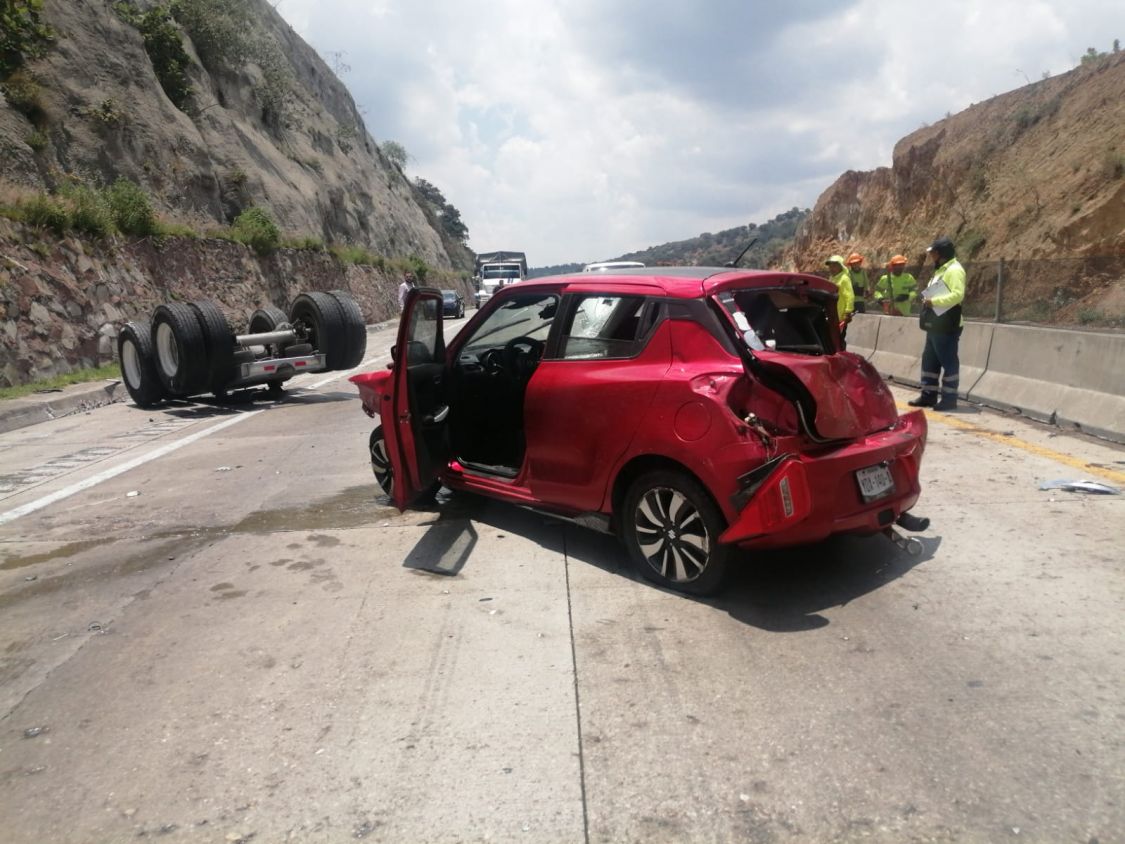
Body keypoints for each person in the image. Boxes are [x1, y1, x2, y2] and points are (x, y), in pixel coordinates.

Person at [908, 236, 966, 411]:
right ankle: (928, 396)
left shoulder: (954, 270)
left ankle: (949, 399)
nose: (931, 256)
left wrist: (934, 302)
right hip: (936, 324)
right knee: (930, 361)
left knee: (948, 362)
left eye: (934, 252)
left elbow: (957, 295)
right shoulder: (941, 270)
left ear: (942, 253)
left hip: (947, 324)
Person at [824, 255, 855, 332]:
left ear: (841, 266)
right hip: (832, 315)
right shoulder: (832, 278)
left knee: (839, 340)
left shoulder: (844, 279)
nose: (831, 268)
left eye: (834, 266)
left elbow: (850, 296)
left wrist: (848, 312)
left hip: (841, 316)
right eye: (830, 266)